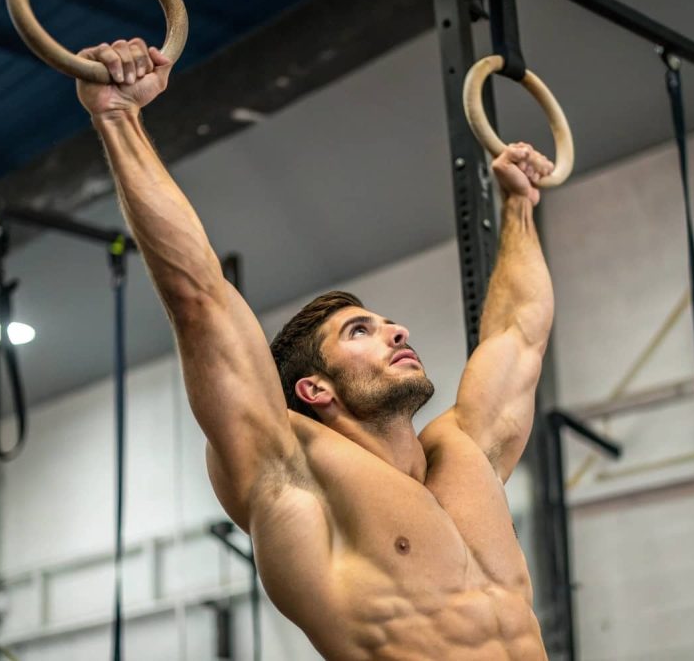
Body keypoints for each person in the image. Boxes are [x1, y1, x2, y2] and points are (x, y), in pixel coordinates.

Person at [78, 38, 555, 661]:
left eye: (387, 324)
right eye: (360, 331)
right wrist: (118, 118)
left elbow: (519, 331)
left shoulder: (467, 452)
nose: (397, 331)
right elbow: (199, 299)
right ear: (314, 389)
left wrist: (518, 205)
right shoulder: (291, 473)